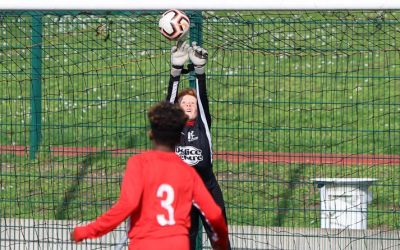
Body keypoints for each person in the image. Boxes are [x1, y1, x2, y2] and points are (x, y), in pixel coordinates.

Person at [70, 102, 228, 250]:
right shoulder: (187, 172)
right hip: (177, 244)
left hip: (144, 244)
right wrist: (220, 243)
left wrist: (86, 231)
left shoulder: (138, 164)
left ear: (151, 133)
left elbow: (127, 205)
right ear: (179, 137)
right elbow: (214, 214)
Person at [166, 41, 231, 250]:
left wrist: (200, 71)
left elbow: (202, 100)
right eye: (183, 102)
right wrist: (175, 71)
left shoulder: (203, 125)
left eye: (191, 103)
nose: (188, 104)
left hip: (207, 188)